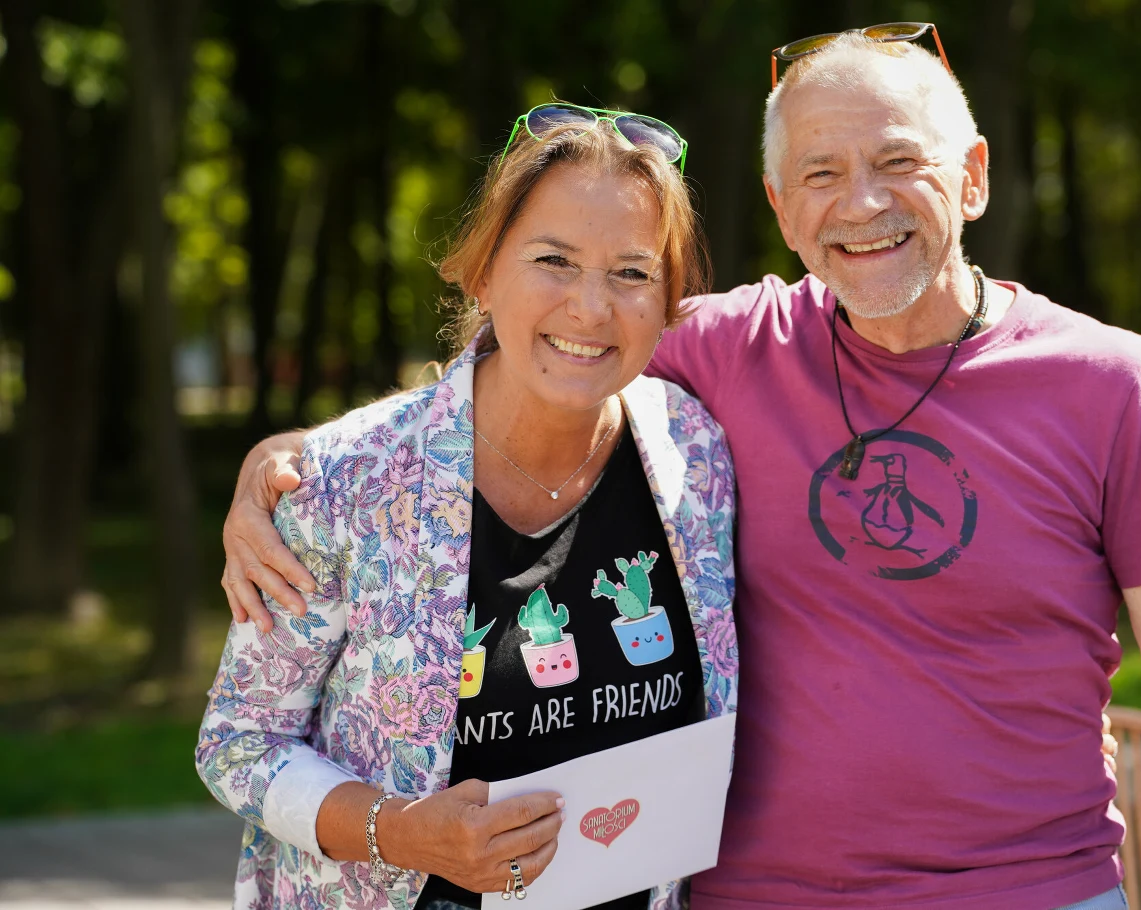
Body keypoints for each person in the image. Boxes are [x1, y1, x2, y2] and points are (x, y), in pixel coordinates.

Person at [221, 27, 1141, 910]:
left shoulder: (1113, 384)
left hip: (1032, 890)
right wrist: (291, 462)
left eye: (897, 161)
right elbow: (541, 350)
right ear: (778, 203)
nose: (860, 203)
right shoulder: (723, 351)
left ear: (974, 176)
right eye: (819, 174)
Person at [197, 109, 739, 910]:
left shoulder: (696, 453)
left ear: (669, 300)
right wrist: (399, 831)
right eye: (554, 260)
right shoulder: (348, 481)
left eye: (632, 272)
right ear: (484, 272)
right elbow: (239, 744)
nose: (592, 308)